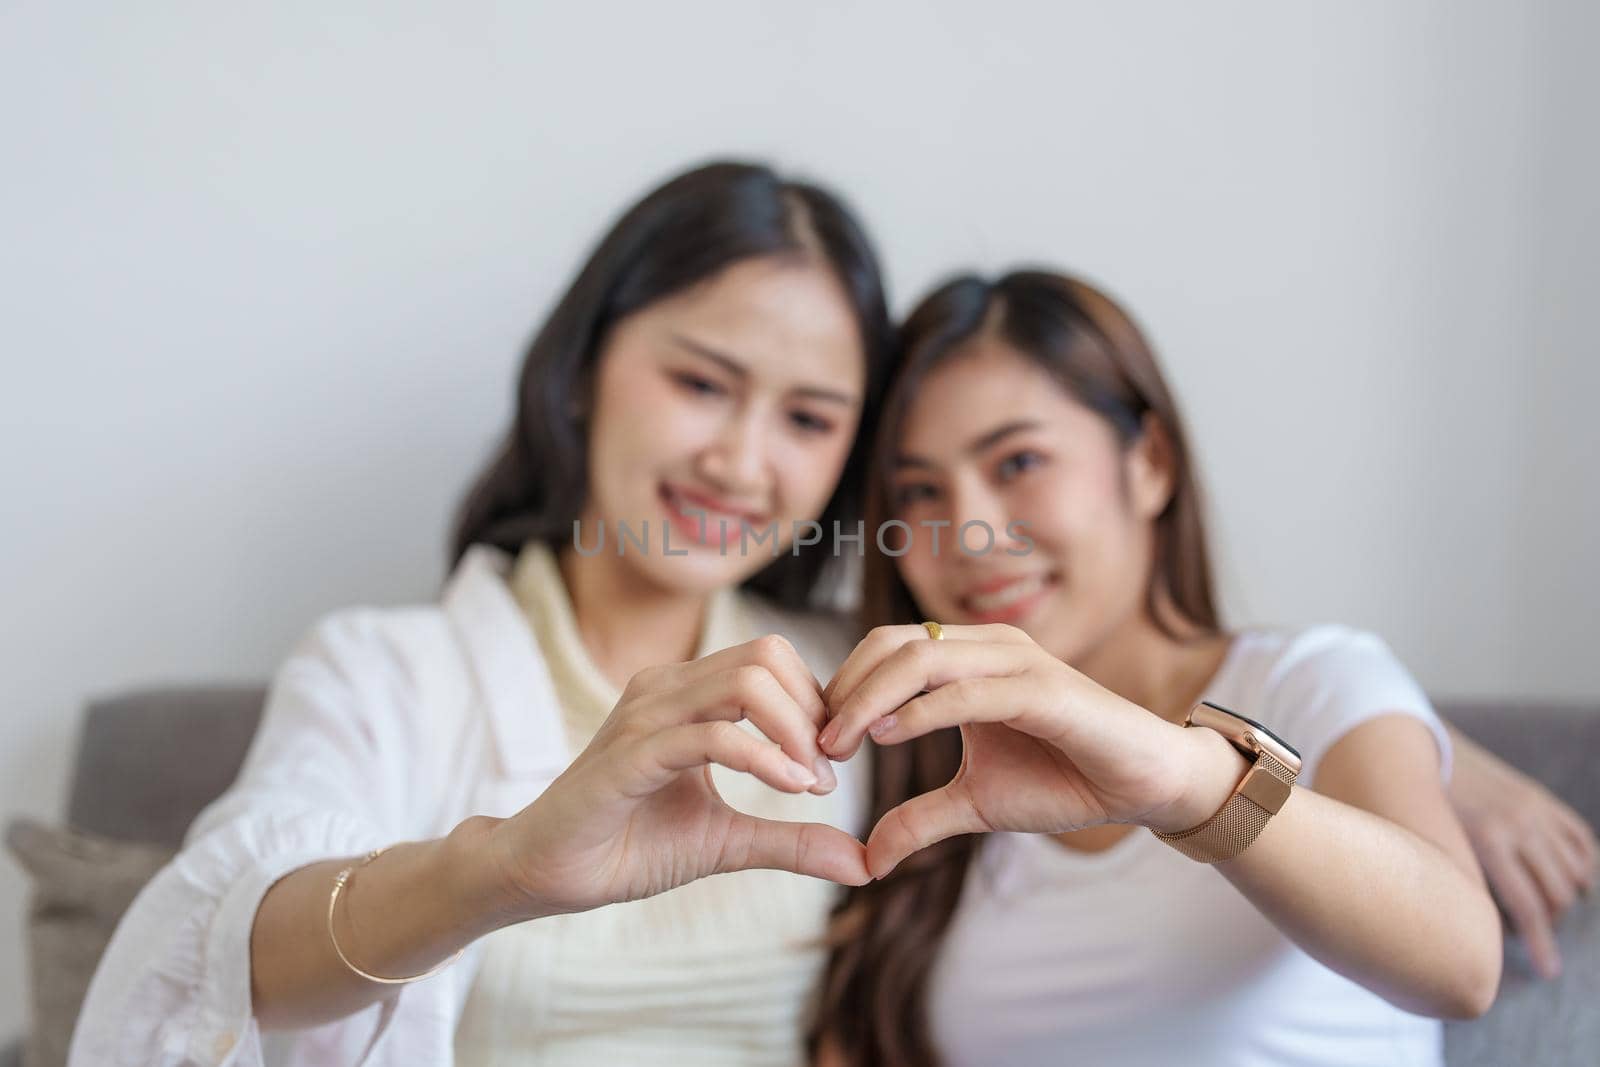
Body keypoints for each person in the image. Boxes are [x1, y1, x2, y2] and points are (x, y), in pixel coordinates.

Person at [69, 159, 895, 1067]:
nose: (741, 463)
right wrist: (500, 872)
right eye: (701, 384)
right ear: (582, 367)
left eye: (808, 420)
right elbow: (231, 958)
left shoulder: (849, 682)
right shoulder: (382, 670)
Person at [808, 269, 1596, 1067]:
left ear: (1149, 461)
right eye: (920, 490)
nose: (967, 532)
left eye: (1017, 463)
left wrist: (1184, 782)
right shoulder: (930, 757)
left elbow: (1461, 967)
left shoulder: (1312, 683)